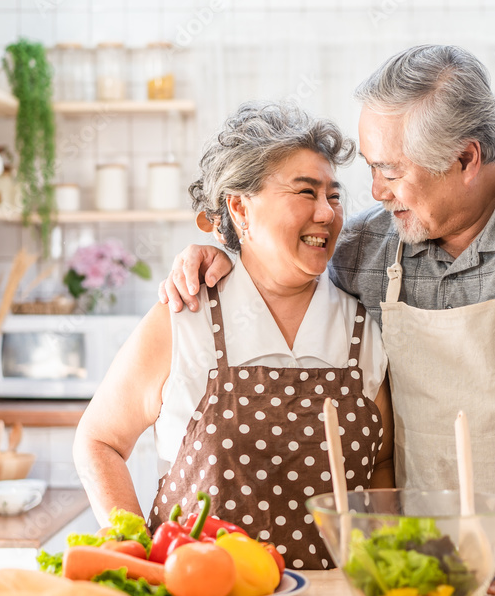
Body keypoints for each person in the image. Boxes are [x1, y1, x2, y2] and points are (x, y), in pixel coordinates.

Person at [159, 45, 495, 596]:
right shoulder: (370, 243)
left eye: (390, 171)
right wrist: (218, 252)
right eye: (369, 168)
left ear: (466, 160)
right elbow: (279, 263)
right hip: (423, 560)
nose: (375, 192)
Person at [74, 102, 394, 571]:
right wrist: (138, 556)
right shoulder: (185, 314)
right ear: (240, 207)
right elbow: (98, 441)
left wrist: (383, 565)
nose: (327, 213)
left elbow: (380, 464)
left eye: (334, 195)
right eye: (306, 192)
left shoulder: (360, 324)